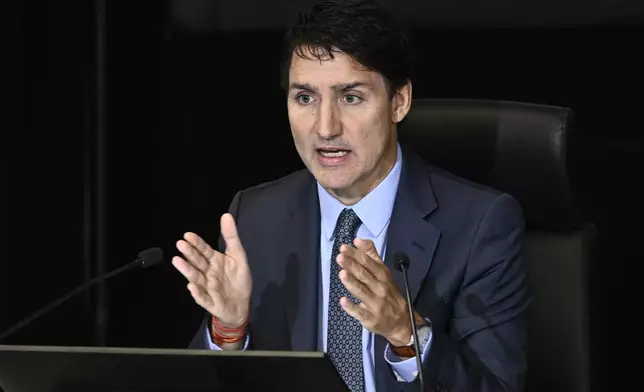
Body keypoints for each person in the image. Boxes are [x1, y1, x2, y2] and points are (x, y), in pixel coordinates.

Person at [172, 0, 530, 391]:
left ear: (399, 102)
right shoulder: (256, 218)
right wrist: (228, 331)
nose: (325, 128)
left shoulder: (480, 224)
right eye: (305, 98)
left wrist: (407, 335)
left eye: (350, 97)